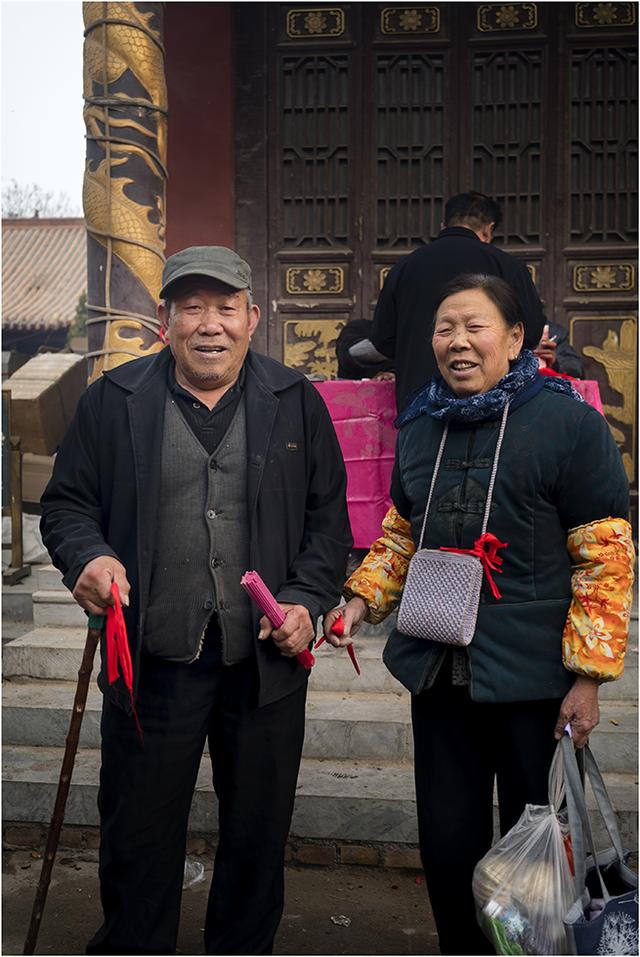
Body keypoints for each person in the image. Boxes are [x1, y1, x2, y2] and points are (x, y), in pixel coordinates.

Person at [40, 246, 352, 955]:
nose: (209, 325)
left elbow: (328, 525)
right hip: (154, 660)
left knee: (256, 834)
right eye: (191, 307)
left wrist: (306, 599)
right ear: (164, 319)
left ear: (252, 316)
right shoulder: (114, 401)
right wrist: (89, 556)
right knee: (140, 836)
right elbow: (66, 507)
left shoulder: (295, 400)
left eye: (224, 307)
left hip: (263, 668)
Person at [323, 274, 633, 955]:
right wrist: (360, 598)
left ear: (516, 336)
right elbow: (403, 531)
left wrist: (589, 675)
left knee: (537, 844)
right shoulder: (423, 424)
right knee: (447, 838)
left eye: (475, 326)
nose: (457, 341)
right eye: (444, 328)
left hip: (534, 681)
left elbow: (605, 556)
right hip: (441, 670)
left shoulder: (568, 424)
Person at [369, 192, 545, 410]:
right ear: (488, 230)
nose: (458, 343)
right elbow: (532, 332)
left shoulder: (404, 267)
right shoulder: (507, 266)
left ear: (444, 224)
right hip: (491, 403)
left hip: (418, 400)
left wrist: (417, 353)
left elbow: (382, 338)